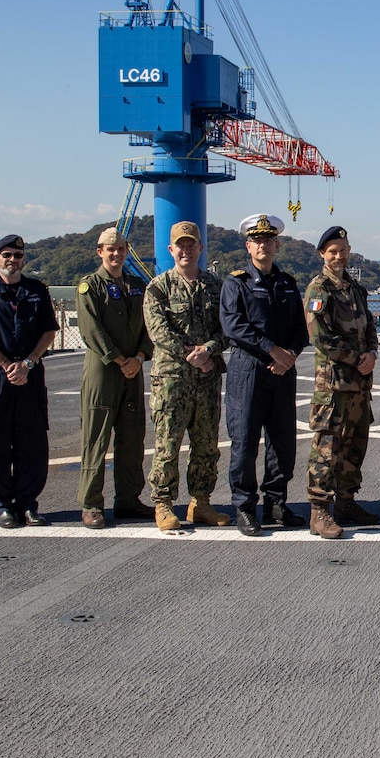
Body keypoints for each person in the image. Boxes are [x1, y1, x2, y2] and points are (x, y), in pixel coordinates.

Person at [220, 213, 311, 537]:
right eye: (257, 240)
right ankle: (245, 506)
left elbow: (301, 330)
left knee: (283, 443)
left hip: (282, 371)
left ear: (276, 245)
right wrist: (273, 350)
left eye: (268, 240)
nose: (263, 245)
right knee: (245, 443)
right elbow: (234, 326)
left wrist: (289, 357)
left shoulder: (287, 283)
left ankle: (276, 502)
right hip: (249, 371)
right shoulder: (236, 282)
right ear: (248, 245)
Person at [142, 221, 230, 532]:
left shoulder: (215, 286)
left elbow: (226, 328)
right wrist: (194, 356)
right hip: (171, 379)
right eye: (180, 245)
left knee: (206, 444)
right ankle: (163, 503)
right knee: (168, 443)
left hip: (206, 380)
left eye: (191, 244)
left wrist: (208, 349)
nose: (186, 250)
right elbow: (158, 332)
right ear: (171, 250)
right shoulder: (158, 287)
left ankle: (200, 503)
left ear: (200, 248)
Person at [0, 234, 59, 529]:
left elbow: (48, 331)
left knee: (32, 443)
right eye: (7, 255)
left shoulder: (36, 290)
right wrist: (8, 365)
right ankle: (3, 506)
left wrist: (28, 363)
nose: (12, 261)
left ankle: (28, 504)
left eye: (18, 256)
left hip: (30, 374)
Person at [75, 226, 155, 530]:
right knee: (95, 439)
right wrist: (121, 360)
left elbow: (150, 325)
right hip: (103, 371)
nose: (116, 253)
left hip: (132, 370)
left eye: (121, 248)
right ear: (100, 252)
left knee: (132, 437)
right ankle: (91, 503)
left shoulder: (137, 285)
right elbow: (91, 330)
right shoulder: (90, 286)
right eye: (110, 249)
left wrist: (139, 358)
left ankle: (128, 499)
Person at [303, 226, 380, 540]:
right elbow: (319, 337)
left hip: (359, 384)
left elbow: (370, 326)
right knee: (327, 448)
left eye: (344, 250)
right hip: (333, 386)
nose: (339, 256)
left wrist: (373, 352)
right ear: (323, 254)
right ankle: (319, 510)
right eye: (333, 251)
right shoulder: (318, 289)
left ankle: (347, 501)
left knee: (354, 444)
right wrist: (355, 358)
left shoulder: (356, 289)